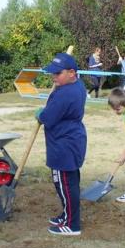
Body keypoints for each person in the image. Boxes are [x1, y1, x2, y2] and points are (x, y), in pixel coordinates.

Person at [36, 53, 87, 236]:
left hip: (63, 145)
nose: (54, 77)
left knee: (65, 185)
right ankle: (67, 215)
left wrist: (40, 114)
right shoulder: (78, 86)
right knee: (70, 182)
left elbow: (47, 118)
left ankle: (72, 224)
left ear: (72, 72)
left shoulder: (65, 94)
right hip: (72, 140)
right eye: (53, 73)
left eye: (58, 73)